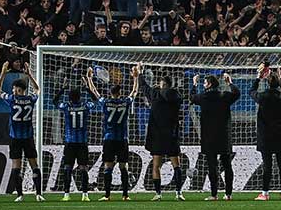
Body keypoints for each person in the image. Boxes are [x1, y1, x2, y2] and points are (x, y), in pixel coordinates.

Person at [86, 65, 139, 201]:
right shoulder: (125, 102)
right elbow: (134, 92)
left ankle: (107, 195)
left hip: (109, 138)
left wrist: (89, 78)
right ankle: (125, 195)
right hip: (122, 138)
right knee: (123, 167)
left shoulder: (105, 102)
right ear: (120, 93)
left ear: (110, 93)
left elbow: (94, 92)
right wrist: (136, 77)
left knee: (108, 167)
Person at [0, 62, 44, 202]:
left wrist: (3, 73)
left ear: (19, 90)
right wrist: (29, 75)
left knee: (16, 166)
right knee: (34, 165)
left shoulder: (12, 100)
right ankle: (38, 194)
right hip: (28, 138)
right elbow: (37, 89)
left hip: (15, 138)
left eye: (14, 89)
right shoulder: (30, 100)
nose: (13, 91)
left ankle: (20, 195)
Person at [191, 72, 241, 201]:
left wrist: (194, 84)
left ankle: (214, 194)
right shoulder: (224, 95)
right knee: (227, 165)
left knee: (212, 166)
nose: (203, 85)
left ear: (209, 84)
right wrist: (229, 83)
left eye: (204, 83)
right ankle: (228, 194)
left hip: (209, 136)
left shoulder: (203, 97)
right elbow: (237, 94)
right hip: (224, 135)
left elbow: (192, 98)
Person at [139, 64, 185, 201]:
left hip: (157, 135)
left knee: (156, 165)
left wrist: (140, 73)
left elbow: (144, 86)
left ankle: (158, 194)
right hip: (171, 135)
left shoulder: (155, 94)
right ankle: (178, 193)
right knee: (177, 165)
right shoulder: (176, 96)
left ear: (162, 84)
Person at [251, 64, 281, 201]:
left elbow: (251, 91)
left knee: (267, 165)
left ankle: (265, 193)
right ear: (278, 83)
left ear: (267, 83)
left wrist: (258, 77)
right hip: (280, 135)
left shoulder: (263, 97)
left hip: (266, 136)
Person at [55, 72, 96, 201]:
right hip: (82, 142)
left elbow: (55, 102)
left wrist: (63, 88)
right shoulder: (85, 106)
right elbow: (95, 100)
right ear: (80, 97)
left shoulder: (66, 106)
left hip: (70, 142)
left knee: (68, 167)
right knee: (83, 168)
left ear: (69, 98)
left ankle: (66, 194)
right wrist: (87, 88)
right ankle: (85, 194)